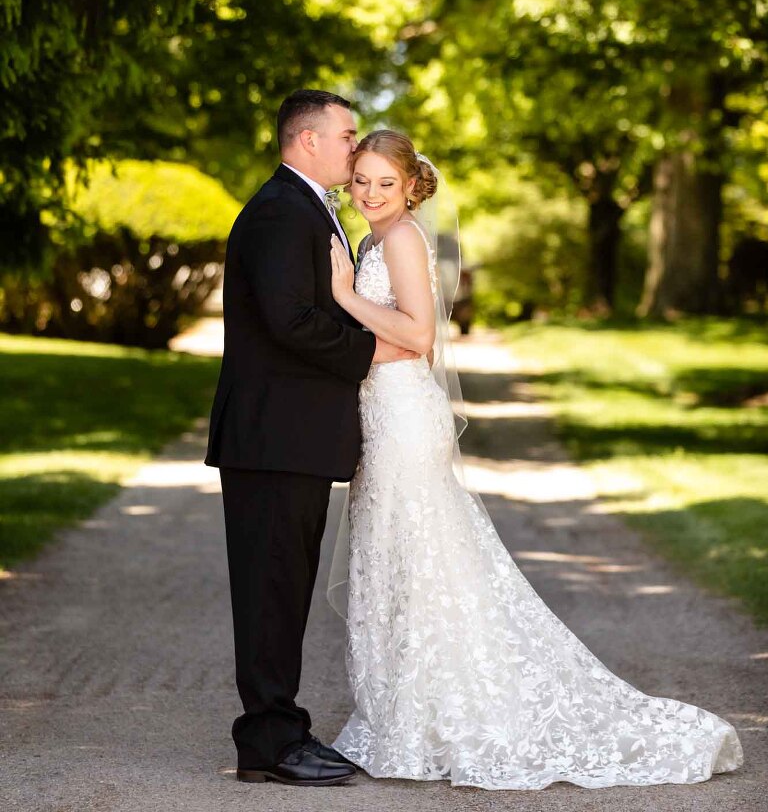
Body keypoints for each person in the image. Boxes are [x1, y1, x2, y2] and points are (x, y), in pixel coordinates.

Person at [327, 128, 744, 791]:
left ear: (411, 185)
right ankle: (403, 716)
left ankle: (442, 717)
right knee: (397, 565)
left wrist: (346, 299)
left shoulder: (402, 240)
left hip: (406, 418)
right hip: (383, 418)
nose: (372, 194)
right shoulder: (374, 240)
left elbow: (418, 336)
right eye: (362, 181)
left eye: (385, 182)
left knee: (422, 563)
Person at [205, 91, 414, 787]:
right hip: (270, 437)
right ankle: (267, 742)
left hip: (287, 437)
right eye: (347, 135)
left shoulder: (304, 206)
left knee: (284, 587)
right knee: (270, 589)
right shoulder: (277, 212)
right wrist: (374, 353)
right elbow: (290, 321)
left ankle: (283, 729)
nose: (355, 149)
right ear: (307, 140)